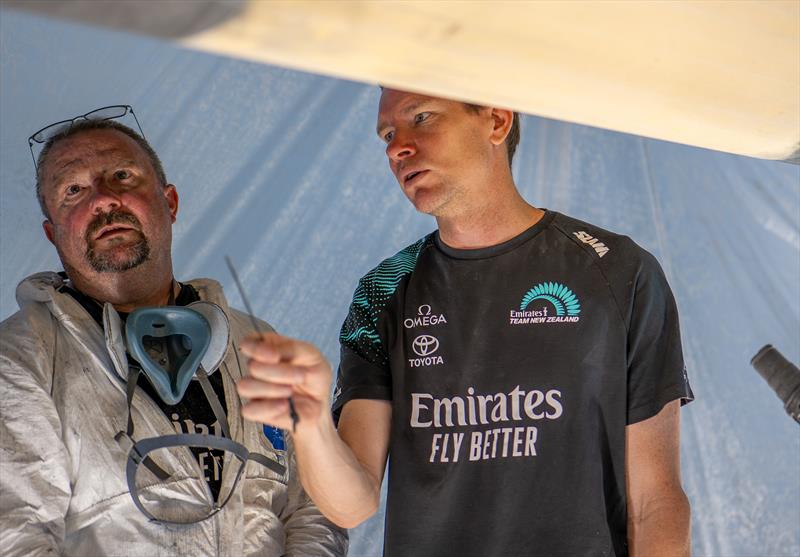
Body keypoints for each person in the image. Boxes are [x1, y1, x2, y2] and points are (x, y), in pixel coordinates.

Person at [238, 89, 694, 556]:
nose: (397, 148)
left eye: (422, 117)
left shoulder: (619, 271)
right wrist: (310, 423)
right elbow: (351, 506)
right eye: (388, 134)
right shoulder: (384, 291)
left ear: (497, 121)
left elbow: (654, 502)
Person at [0, 112, 347, 556]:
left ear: (171, 202)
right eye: (74, 191)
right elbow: (15, 537)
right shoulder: (20, 360)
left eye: (122, 176)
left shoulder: (254, 343)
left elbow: (314, 506)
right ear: (53, 234)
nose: (104, 200)